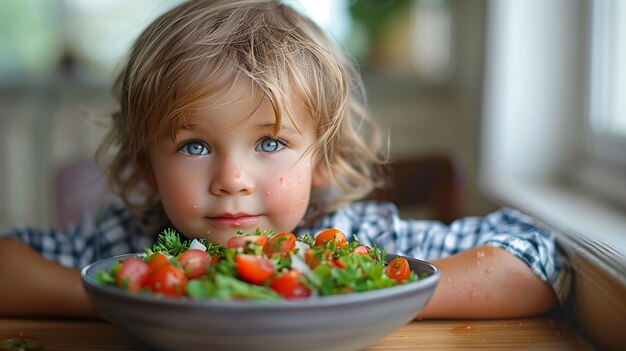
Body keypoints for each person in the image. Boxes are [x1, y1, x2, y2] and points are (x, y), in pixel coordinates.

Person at [0, 0, 569, 319]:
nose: (231, 181)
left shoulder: (355, 242)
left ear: (322, 160)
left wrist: (367, 297)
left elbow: (538, 260)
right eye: (193, 146)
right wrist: (125, 298)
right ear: (147, 166)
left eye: (270, 144)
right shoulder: (128, 241)